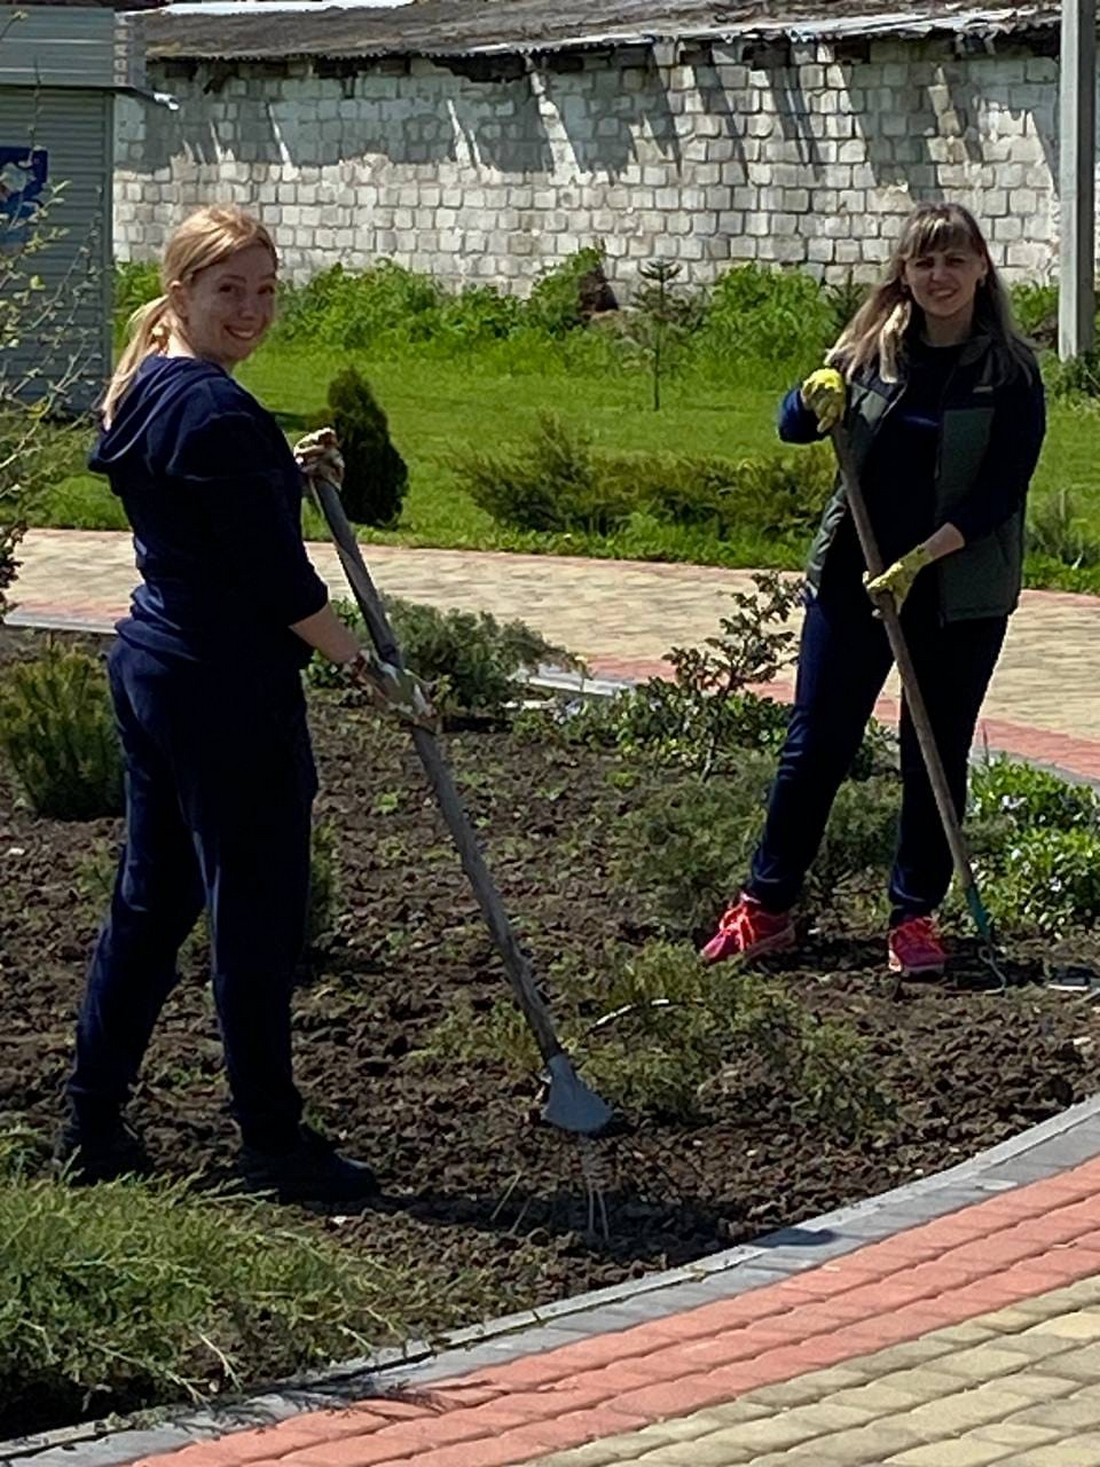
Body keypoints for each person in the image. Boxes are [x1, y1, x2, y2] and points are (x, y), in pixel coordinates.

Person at [56, 205, 429, 1199]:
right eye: (230, 291)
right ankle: (271, 1143)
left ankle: (89, 1122)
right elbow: (279, 585)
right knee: (254, 914)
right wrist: (366, 668)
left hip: (156, 667)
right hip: (226, 690)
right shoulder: (215, 412)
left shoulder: (146, 387)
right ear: (179, 291)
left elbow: (206, 500)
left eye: (265, 291)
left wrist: (280, 469)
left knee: (153, 899)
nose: (252, 310)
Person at [701, 201, 1046, 977]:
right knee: (816, 741)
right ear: (904, 273)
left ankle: (914, 916)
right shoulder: (870, 351)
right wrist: (811, 390)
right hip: (854, 580)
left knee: (933, 747)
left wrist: (926, 556)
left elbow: (1001, 489)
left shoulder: (1010, 373)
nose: (939, 276)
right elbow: (794, 424)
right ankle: (767, 905)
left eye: (955, 260)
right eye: (924, 262)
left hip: (959, 588)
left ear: (982, 269)